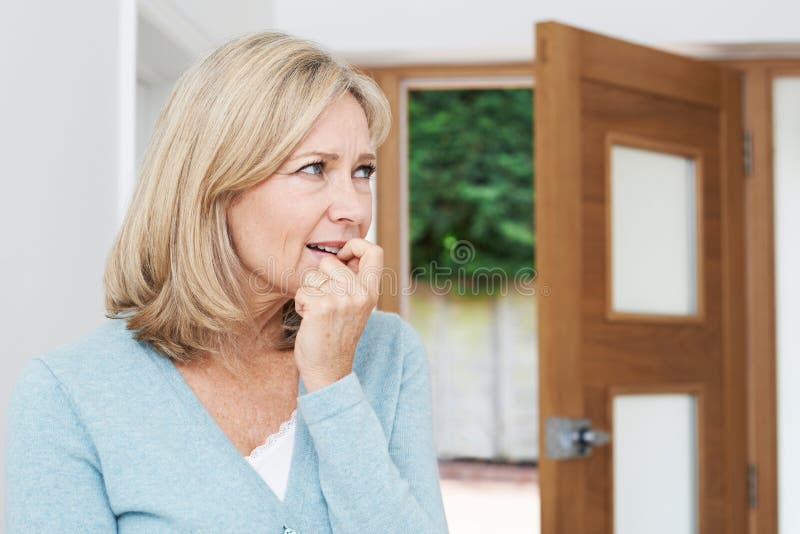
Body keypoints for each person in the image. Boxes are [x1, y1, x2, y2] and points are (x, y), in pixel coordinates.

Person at [5, 31, 449, 533]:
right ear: (216, 185)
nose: (352, 208)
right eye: (314, 168)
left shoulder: (390, 354)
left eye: (362, 171)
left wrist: (332, 383)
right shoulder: (68, 394)